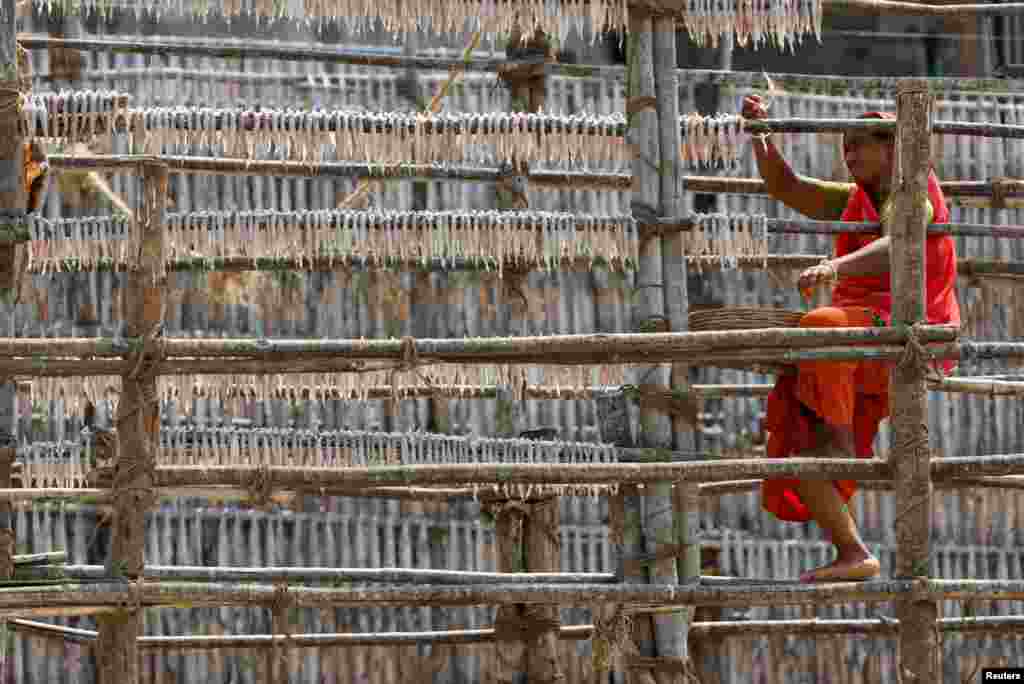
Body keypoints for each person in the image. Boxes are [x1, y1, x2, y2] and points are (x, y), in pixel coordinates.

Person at [741, 95, 961, 582]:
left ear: (892, 151)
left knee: (819, 325)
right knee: (800, 455)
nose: (850, 154)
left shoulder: (912, 195)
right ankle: (854, 552)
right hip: (862, 337)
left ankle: (840, 439)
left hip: (907, 329)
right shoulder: (853, 198)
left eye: (861, 145)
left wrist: (833, 266)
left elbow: (900, 244)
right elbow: (789, 187)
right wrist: (761, 135)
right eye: (846, 145)